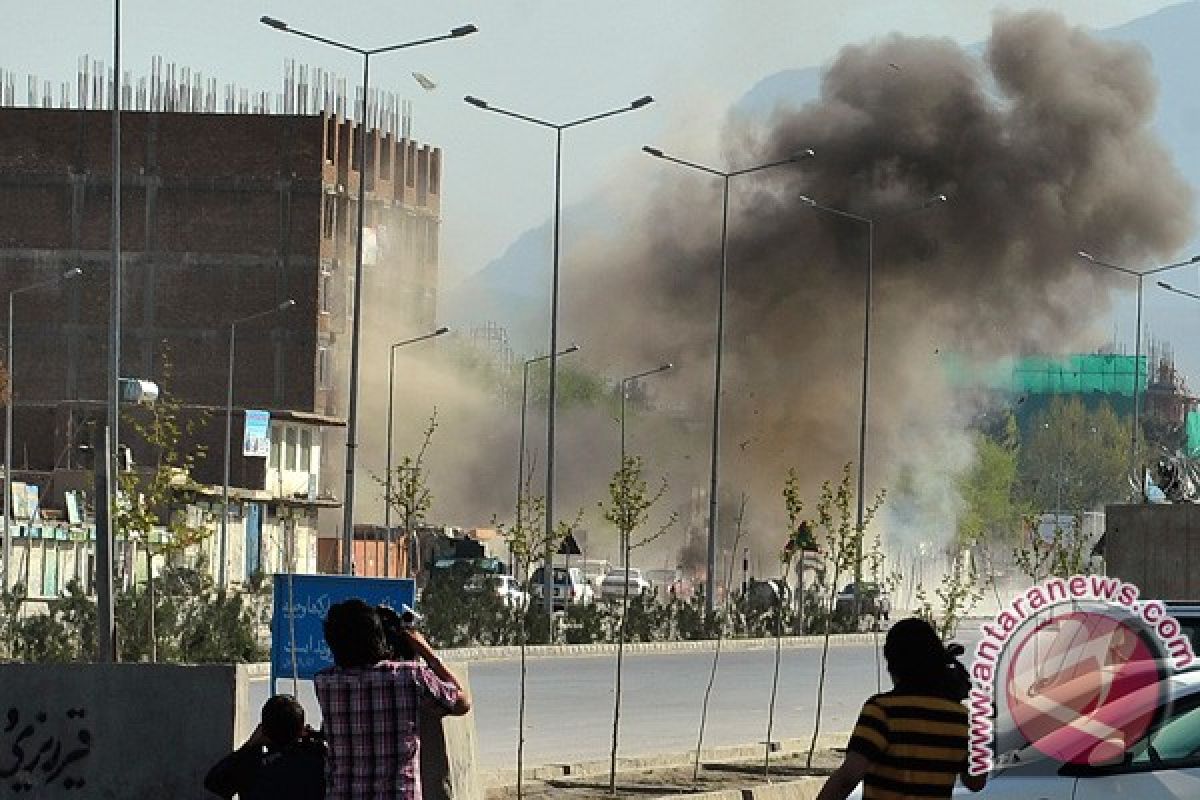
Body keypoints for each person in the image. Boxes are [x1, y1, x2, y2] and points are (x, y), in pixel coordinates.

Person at [315, 598, 471, 800]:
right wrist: (423, 649)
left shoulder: (324, 683)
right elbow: (461, 702)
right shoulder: (411, 676)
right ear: (376, 637)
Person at [816, 617, 986, 800]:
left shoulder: (882, 711)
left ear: (893, 666)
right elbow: (976, 782)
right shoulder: (962, 718)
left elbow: (848, 778)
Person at [204, 694, 326, 800]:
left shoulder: (251, 764)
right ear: (301, 730)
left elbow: (215, 783)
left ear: (263, 731)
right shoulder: (317, 762)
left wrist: (249, 746)